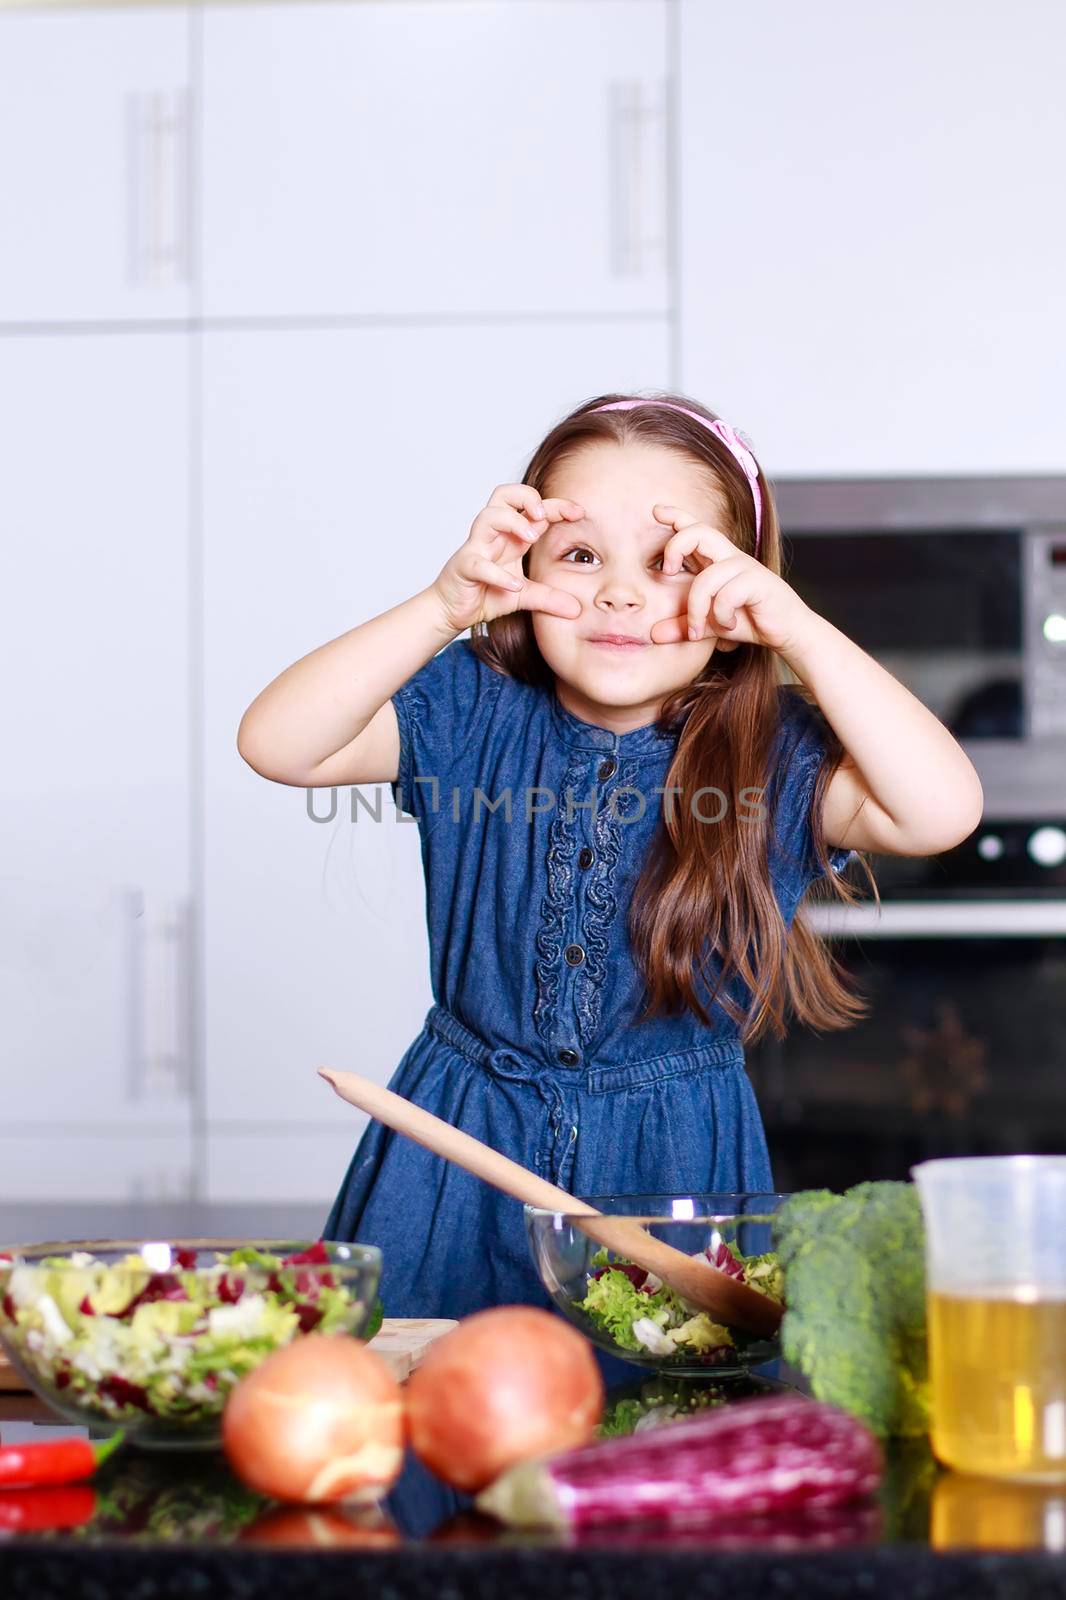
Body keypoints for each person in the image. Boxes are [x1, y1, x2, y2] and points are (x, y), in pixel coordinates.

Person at [236, 390, 984, 1371]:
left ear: (737, 597)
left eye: (676, 565)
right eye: (581, 556)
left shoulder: (772, 755)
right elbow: (275, 742)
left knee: (655, 1434)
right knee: (408, 1434)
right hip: (452, 1149)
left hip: (673, 1166)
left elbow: (941, 811)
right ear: (522, 572)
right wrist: (439, 608)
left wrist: (800, 632)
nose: (622, 595)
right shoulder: (470, 705)